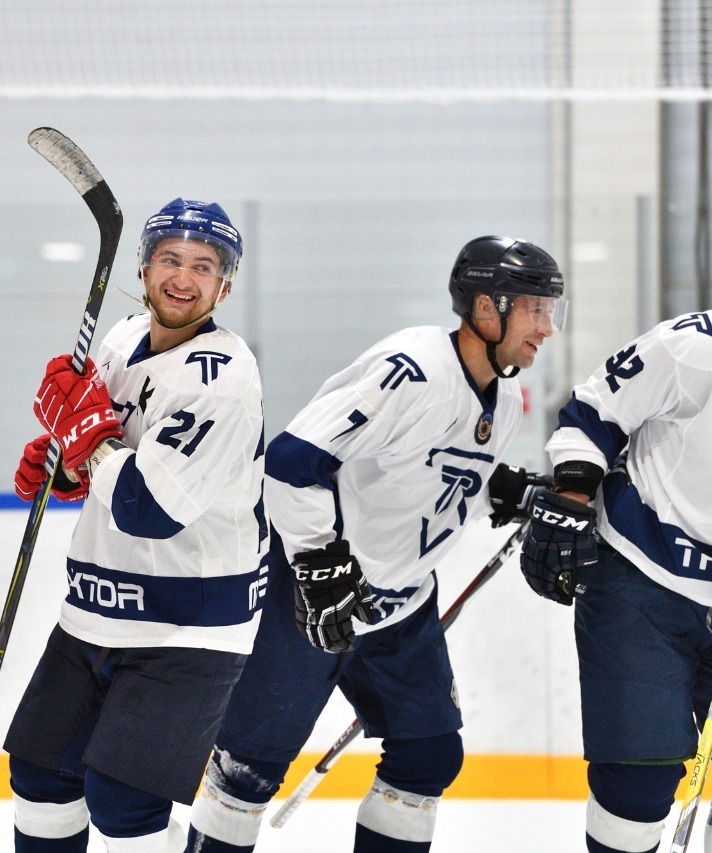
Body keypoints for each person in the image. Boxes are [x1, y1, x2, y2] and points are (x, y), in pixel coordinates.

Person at [185, 236, 568, 852]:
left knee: (429, 755)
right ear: (487, 307)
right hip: (311, 593)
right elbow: (291, 461)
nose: (547, 328)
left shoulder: (506, 397)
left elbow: (433, 467)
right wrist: (316, 561)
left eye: (552, 311)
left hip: (402, 606)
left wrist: (507, 492)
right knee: (246, 772)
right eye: (535, 309)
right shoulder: (411, 369)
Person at [519, 223, 712, 853]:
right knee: (638, 780)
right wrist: (573, 497)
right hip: (642, 582)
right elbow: (593, 414)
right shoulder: (695, 347)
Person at [6, 198, 266, 852]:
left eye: (203, 267)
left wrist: (86, 441)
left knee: (125, 802)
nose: (184, 277)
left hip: (189, 622)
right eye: (170, 259)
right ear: (145, 267)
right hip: (96, 605)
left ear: (225, 285)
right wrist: (66, 465)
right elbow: (105, 451)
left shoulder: (222, 379)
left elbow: (148, 508)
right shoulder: (122, 338)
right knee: (40, 776)